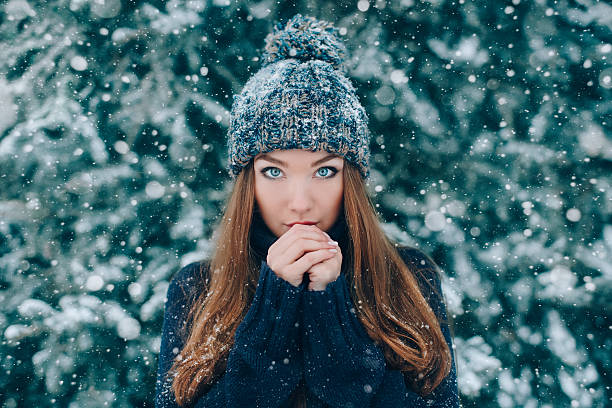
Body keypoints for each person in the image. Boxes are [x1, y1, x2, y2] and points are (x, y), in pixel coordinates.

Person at [155, 13, 459, 408]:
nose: (300, 202)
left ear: (351, 179)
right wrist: (273, 308)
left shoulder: (407, 278)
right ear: (249, 181)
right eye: (274, 171)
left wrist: (330, 307)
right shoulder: (198, 290)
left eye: (325, 170)